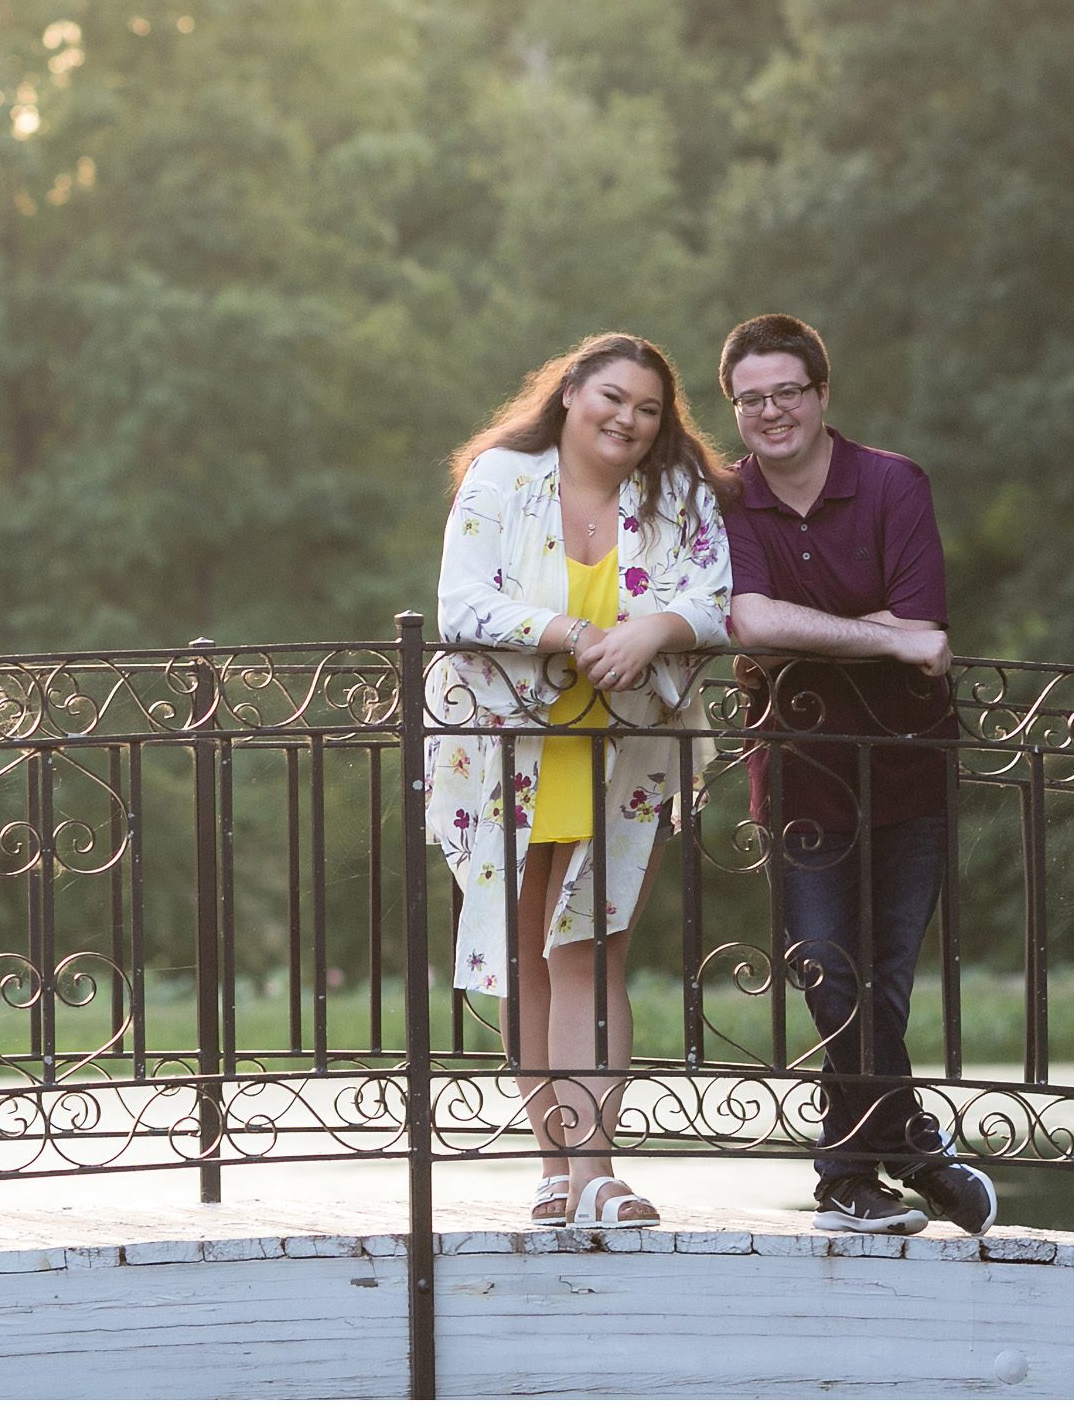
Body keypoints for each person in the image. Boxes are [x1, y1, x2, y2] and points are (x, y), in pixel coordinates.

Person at [425, 332, 734, 1227]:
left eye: (648, 409)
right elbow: (462, 603)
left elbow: (714, 597)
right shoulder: (500, 479)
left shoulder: (674, 492)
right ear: (569, 393)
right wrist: (564, 632)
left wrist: (653, 631)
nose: (628, 420)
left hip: (622, 748)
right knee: (528, 957)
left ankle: (598, 1171)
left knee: (590, 950)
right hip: (507, 750)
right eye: (613, 399)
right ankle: (556, 1170)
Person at [717, 312, 996, 1236]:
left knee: (883, 983)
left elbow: (926, 622)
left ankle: (848, 1180)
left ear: (822, 392)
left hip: (911, 769)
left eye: (786, 391)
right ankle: (913, 1150)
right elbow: (752, 623)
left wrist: (839, 632)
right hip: (799, 777)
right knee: (828, 974)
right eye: (750, 398)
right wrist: (880, 636)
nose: (770, 412)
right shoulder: (730, 501)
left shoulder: (892, 484)